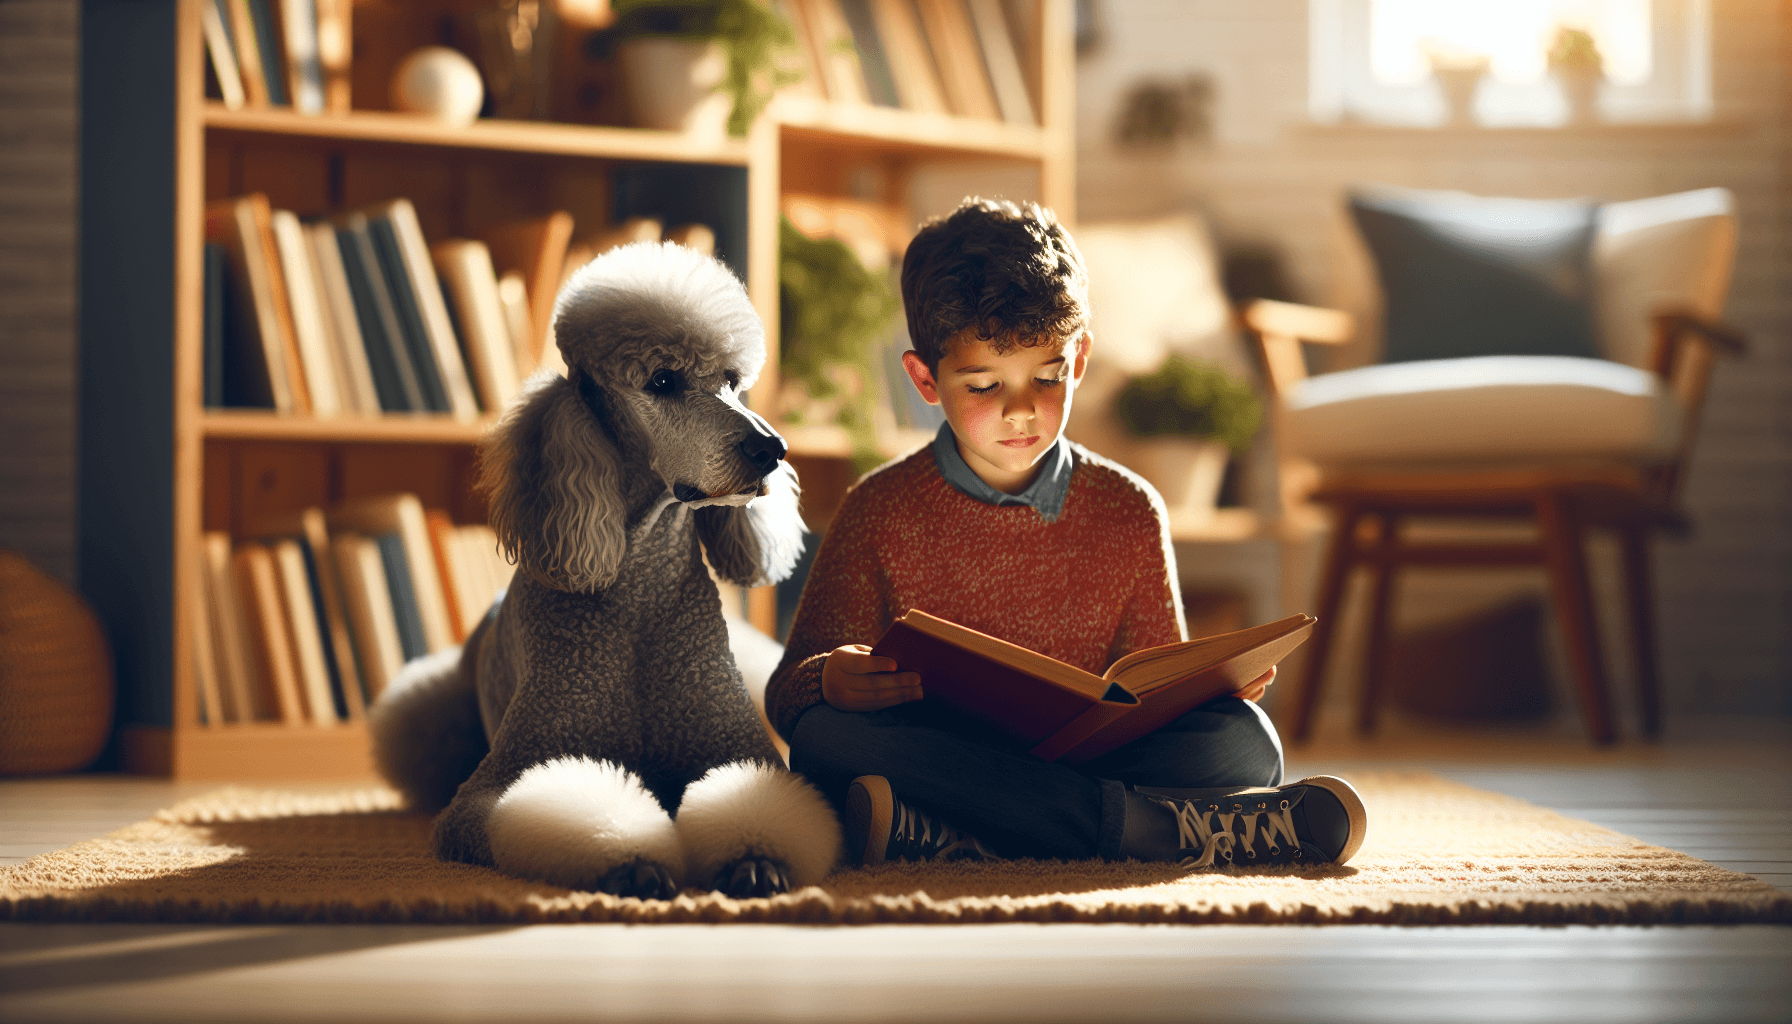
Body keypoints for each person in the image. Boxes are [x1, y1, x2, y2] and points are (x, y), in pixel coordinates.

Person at [764, 197, 1366, 870]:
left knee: (1244, 740)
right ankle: (1147, 831)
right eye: (984, 386)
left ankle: (961, 837)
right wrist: (830, 680)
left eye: (1046, 378)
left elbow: (1154, 682)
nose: (1021, 410)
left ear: (1079, 359)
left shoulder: (1129, 509)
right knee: (826, 738)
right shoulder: (877, 510)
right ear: (925, 379)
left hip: (1067, 763)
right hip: (945, 750)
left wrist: (1206, 687)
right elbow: (789, 697)